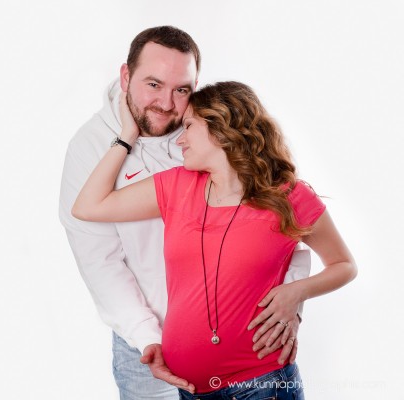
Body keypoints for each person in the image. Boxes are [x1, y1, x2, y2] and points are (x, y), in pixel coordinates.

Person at [59, 26, 310, 399]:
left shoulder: (210, 132)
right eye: (153, 85)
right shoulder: (90, 148)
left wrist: (292, 299)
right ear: (125, 76)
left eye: (181, 90)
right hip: (144, 349)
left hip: (243, 348)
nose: (166, 103)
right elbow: (100, 262)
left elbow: (281, 227)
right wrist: (148, 337)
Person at [72, 80, 358, 398]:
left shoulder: (289, 196)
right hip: (191, 391)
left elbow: (344, 264)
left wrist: (296, 292)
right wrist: (127, 136)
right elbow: (87, 207)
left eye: (189, 126)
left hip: (261, 384)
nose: (180, 139)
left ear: (220, 129)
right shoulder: (176, 186)